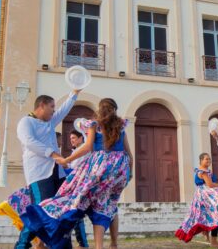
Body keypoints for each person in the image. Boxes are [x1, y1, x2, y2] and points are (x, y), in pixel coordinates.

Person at [23, 98, 132, 249]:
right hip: (120, 171)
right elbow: (129, 155)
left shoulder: (95, 125)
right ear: (115, 110)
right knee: (108, 204)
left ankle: (47, 235)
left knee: (72, 197)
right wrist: (128, 175)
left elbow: (87, 147)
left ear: (100, 110)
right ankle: (112, 244)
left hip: (100, 169)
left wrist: (67, 158)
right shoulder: (121, 127)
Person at [15, 89, 81, 249]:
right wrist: (53, 154)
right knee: (40, 211)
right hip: (38, 173)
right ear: (42, 105)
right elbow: (29, 141)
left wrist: (74, 93)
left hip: (57, 173)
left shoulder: (50, 122)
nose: (54, 109)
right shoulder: (26, 122)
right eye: (52, 106)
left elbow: (63, 111)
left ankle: (61, 244)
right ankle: (22, 244)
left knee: (62, 208)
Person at [175, 153, 218, 246]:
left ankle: (206, 232)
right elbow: (210, 184)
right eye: (206, 159)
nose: (208, 161)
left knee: (206, 214)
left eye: (209, 159)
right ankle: (213, 240)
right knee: (216, 213)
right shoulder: (203, 172)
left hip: (204, 195)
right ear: (201, 160)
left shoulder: (205, 170)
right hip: (205, 195)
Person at [65, 128, 90, 248]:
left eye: (74, 138)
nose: (72, 141)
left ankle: (83, 243)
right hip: (74, 185)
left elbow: (76, 167)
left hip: (81, 185)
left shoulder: (84, 149)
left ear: (81, 138)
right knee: (75, 214)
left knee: (76, 213)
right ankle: (82, 243)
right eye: (70, 139)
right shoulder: (75, 151)